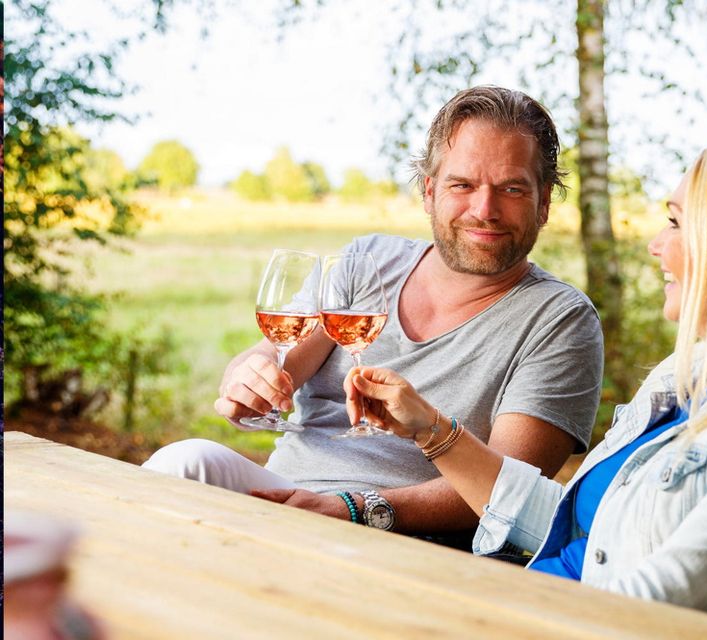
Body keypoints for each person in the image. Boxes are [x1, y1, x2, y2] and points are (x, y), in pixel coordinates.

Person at [340, 136, 707, 627]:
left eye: (676, 223)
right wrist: (431, 430)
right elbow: (577, 527)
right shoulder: (692, 377)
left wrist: (468, 610)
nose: (656, 245)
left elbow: (649, 611)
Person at [142, 86, 604, 543]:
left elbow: (509, 494)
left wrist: (355, 509)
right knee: (184, 463)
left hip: (403, 538)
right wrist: (247, 382)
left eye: (511, 189)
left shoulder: (560, 320)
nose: (484, 210)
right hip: (285, 500)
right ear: (429, 192)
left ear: (544, 203)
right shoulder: (368, 261)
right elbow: (273, 359)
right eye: (462, 185)